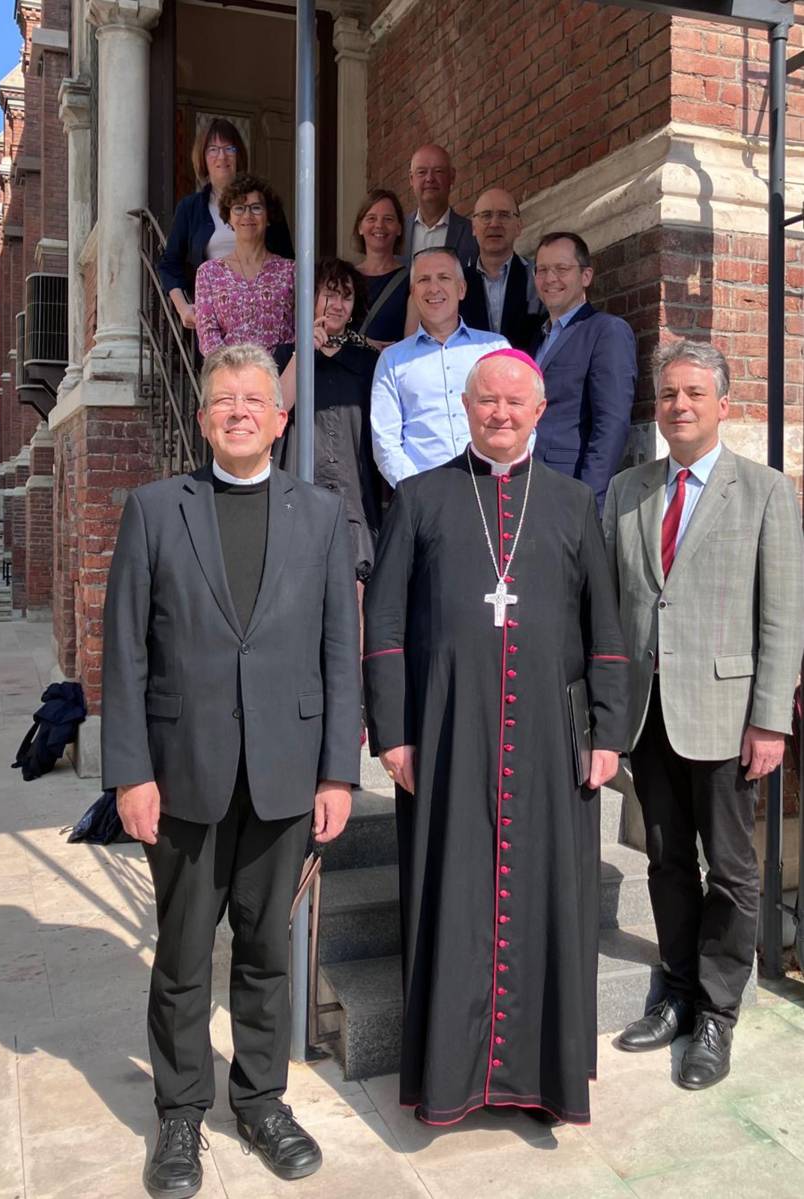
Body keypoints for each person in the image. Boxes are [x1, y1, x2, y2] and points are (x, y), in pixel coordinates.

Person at [102, 343, 361, 1196]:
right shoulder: (154, 508)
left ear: (280, 419)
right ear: (206, 416)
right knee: (180, 955)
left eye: (256, 398)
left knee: (264, 954)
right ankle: (180, 1117)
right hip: (183, 776)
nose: (240, 410)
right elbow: (126, 653)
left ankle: (260, 1100)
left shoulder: (321, 515)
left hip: (286, 776)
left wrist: (337, 774)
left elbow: (338, 651)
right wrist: (130, 772)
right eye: (224, 399)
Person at [363, 348, 630, 1127]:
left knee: (549, 896)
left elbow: (605, 626)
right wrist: (394, 731)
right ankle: (452, 1079)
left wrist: (608, 732)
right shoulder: (418, 498)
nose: (501, 413)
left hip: (553, 737)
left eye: (517, 402)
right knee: (452, 895)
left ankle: (542, 1078)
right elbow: (382, 624)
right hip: (447, 734)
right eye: (487, 401)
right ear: (468, 407)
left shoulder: (576, 504)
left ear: (540, 412)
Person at [604, 339, 804, 1090]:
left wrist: (770, 720)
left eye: (694, 393)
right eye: (669, 395)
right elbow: (615, 607)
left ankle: (718, 1011)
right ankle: (678, 990)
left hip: (727, 715)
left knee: (731, 868)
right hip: (647, 713)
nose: (680, 406)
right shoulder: (628, 490)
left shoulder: (764, 491)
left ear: (723, 403)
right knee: (664, 859)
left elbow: (783, 615)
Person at [275, 258, 382, 593]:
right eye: (329, 294)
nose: (337, 304)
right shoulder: (286, 353)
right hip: (299, 489)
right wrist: (305, 350)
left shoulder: (367, 360)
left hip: (352, 493)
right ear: (311, 298)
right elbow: (276, 407)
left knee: (354, 597)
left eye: (346, 297)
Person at [370, 247, 509, 487]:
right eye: (424, 280)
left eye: (444, 278)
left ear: (462, 289)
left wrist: (504, 473)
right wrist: (419, 492)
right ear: (413, 293)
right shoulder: (392, 360)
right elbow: (385, 443)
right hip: (424, 496)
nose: (434, 288)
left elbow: (522, 419)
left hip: (493, 487)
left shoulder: (494, 349)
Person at [530, 231, 637, 512]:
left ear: (586, 276)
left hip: (570, 488)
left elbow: (611, 424)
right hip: (526, 485)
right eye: (542, 270)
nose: (550, 278)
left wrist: (588, 501)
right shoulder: (535, 338)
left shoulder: (606, 331)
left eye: (562, 269)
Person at [158, 118, 293, 331]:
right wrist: (184, 308)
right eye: (213, 149)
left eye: (229, 148)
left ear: (239, 154)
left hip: (266, 313)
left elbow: (287, 258)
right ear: (203, 157)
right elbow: (169, 264)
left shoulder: (263, 201)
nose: (222, 156)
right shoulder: (190, 208)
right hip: (216, 318)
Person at [195, 174, 296, 357]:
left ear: (269, 217)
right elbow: (208, 336)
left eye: (256, 208)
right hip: (229, 378)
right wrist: (236, 375)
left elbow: (301, 333)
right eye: (239, 208)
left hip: (279, 379)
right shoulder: (209, 273)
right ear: (229, 218)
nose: (247, 215)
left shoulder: (290, 271)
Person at [460, 186, 545, 352]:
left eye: (504, 215)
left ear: (519, 226)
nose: (494, 223)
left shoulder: (539, 276)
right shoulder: (457, 283)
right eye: (486, 216)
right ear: (474, 227)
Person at [402, 144, 478, 267]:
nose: (430, 178)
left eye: (438, 171)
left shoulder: (473, 235)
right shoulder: (397, 233)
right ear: (411, 179)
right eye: (422, 172)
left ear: (452, 176)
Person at [352, 189, 409, 344]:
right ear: (360, 227)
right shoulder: (346, 278)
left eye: (388, 219)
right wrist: (365, 342)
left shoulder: (411, 281)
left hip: (390, 367)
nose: (379, 225)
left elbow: (411, 343)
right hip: (347, 367)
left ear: (399, 228)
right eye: (371, 218)